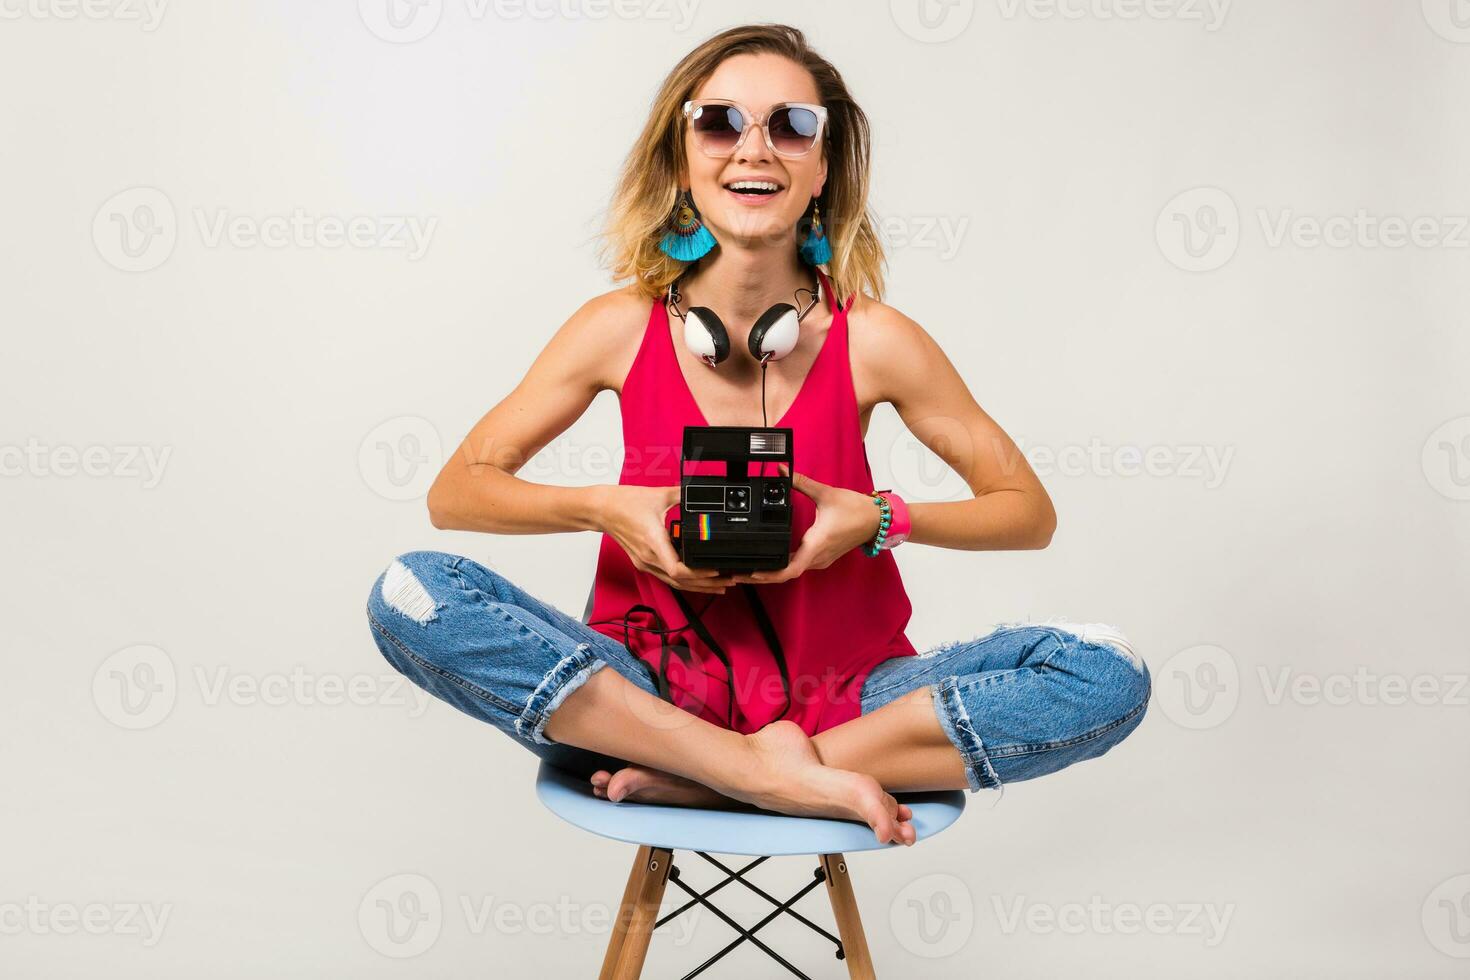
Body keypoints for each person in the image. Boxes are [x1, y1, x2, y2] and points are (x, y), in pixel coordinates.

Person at [365, 24, 1150, 846]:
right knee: (410, 594)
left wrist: (880, 520)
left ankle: (729, 778)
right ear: (681, 159)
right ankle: (748, 773)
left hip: (850, 699)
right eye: (719, 122)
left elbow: (1028, 511)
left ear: (822, 168)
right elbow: (457, 493)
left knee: (1106, 669)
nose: (755, 149)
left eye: (791, 125)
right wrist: (609, 508)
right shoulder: (616, 328)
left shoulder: (879, 340)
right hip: (647, 699)